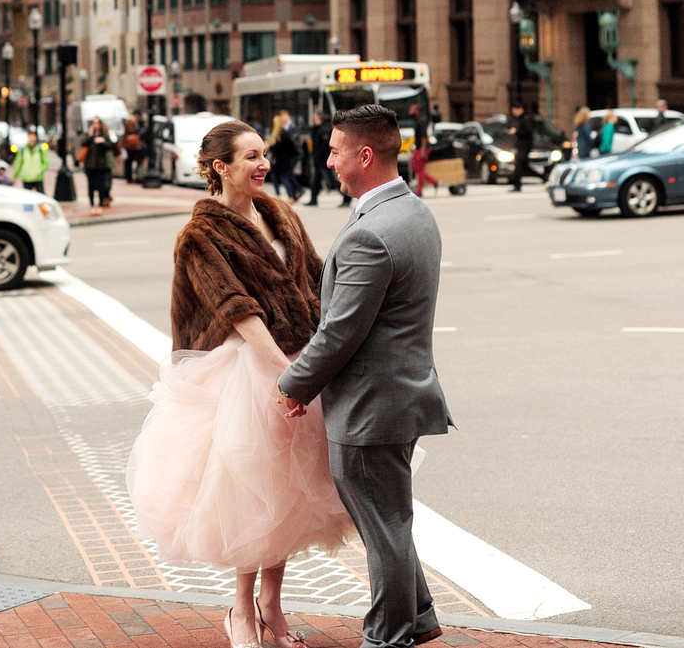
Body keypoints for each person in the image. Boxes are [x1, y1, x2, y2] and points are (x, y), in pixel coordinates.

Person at [127, 120, 354, 648]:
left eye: (264, 154)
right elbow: (238, 310)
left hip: (297, 362)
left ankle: (271, 607)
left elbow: (319, 278)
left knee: (287, 495)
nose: (263, 164)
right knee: (248, 494)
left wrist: (327, 353)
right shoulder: (200, 236)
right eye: (250, 156)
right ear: (219, 167)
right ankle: (240, 611)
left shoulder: (280, 213)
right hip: (246, 372)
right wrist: (288, 372)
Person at [278, 104, 453, 648]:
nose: (327, 160)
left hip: (370, 408)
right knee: (391, 522)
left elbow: (339, 333)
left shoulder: (371, 233)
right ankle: (418, 619)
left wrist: (292, 384)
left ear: (365, 154)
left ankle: (388, 637)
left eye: (334, 150)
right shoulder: (414, 211)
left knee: (385, 533)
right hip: (401, 398)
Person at [79, 117, 117, 208]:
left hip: (101, 165)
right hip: (90, 165)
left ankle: (100, 204)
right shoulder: (89, 135)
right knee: (91, 186)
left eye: (97, 123)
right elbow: (83, 144)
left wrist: (102, 141)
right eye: (94, 123)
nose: (95, 125)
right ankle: (92, 204)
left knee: (101, 186)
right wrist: (90, 135)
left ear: (100, 124)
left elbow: (110, 146)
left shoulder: (104, 135)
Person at [268, 111, 300, 203]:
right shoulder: (282, 134)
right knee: (277, 177)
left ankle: (290, 196)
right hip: (282, 161)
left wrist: (270, 146)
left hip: (281, 161)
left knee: (283, 178)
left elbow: (278, 148)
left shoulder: (281, 135)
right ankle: (281, 195)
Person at [507, 102, 534, 191]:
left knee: (519, 166)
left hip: (524, 146)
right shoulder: (521, 118)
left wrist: (516, 131)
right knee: (524, 167)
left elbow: (528, 131)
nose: (514, 113)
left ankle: (517, 185)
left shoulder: (526, 118)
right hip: (522, 146)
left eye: (515, 110)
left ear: (520, 109)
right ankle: (545, 178)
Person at [307, 112, 332, 205]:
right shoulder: (317, 129)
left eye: (316, 118)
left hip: (323, 160)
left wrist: (320, 157)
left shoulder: (325, 129)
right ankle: (313, 200)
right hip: (318, 160)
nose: (314, 120)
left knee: (331, 180)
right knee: (314, 181)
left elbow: (325, 146)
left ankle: (347, 197)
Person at [13, 127, 49, 193]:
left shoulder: (40, 149)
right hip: (26, 178)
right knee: (28, 199)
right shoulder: (23, 150)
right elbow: (18, 163)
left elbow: (46, 162)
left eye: (33, 136)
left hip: (38, 178)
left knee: (41, 197)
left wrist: (39, 170)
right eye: (30, 135)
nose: (32, 138)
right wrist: (14, 176)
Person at [122, 115, 142, 184]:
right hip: (130, 145)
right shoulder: (131, 124)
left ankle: (129, 176)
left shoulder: (128, 123)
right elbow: (131, 131)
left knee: (129, 161)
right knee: (130, 161)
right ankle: (129, 177)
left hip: (128, 144)